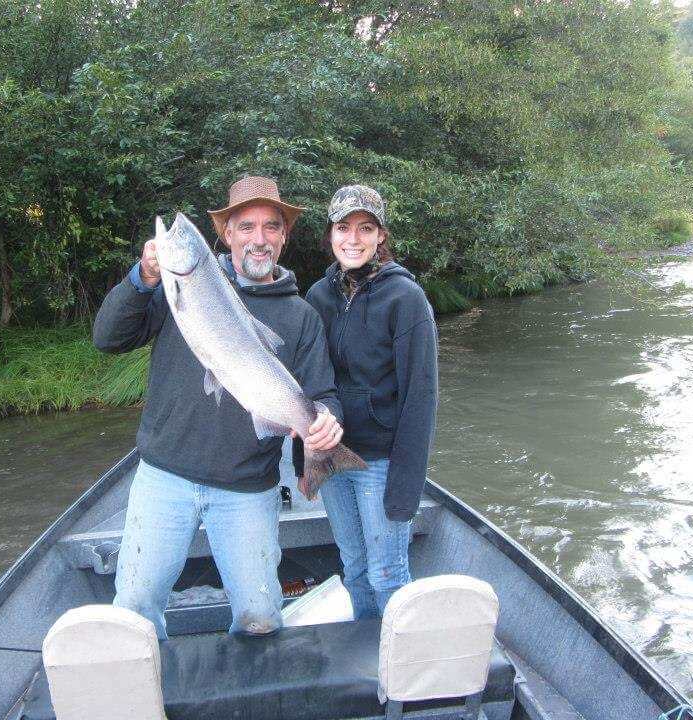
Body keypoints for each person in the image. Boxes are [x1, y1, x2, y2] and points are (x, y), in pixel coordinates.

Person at [92, 175, 344, 639]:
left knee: (262, 621)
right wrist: (143, 277)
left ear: (285, 236)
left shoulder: (302, 316)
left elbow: (322, 394)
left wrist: (327, 424)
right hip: (164, 476)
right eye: (245, 226)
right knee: (133, 612)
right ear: (226, 235)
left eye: (271, 227)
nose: (259, 238)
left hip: (248, 488)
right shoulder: (176, 289)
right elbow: (108, 338)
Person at [295, 184, 439, 618]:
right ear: (330, 235)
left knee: (387, 573)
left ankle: (401, 673)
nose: (352, 239)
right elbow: (306, 385)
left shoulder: (406, 299)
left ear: (381, 236)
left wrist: (405, 489)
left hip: (381, 464)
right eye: (343, 228)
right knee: (355, 569)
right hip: (333, 460)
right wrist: (305, 458)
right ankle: (366, 658)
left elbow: (421, 398)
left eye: (365, 228)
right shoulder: (317, 297)